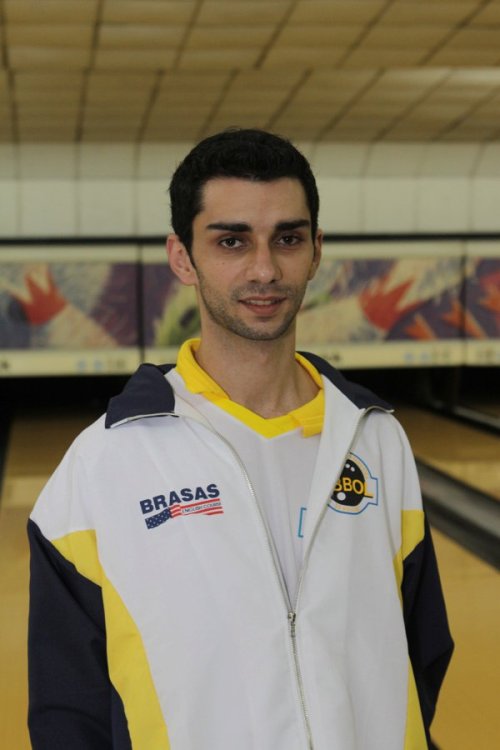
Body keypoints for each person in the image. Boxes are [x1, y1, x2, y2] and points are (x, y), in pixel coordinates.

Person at [27, 128, 453, 750]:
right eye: (231, 241)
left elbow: (420, 654)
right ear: (182, 257)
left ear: (316, 251)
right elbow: (69, 711)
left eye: (288, 239)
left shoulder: (378, 440)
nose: (264, 269)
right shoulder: (103, 464)